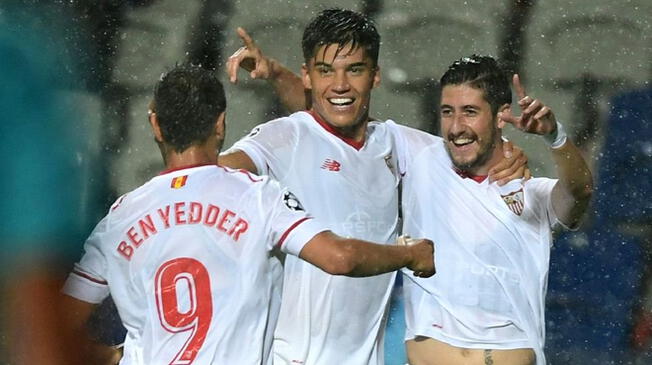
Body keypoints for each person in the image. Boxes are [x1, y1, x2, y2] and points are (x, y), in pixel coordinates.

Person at [60, 64, 436, 365]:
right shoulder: (256, 197)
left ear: (155, 124)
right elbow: (340, 258)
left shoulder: (119, 219)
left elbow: (54, 324)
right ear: (221, 123)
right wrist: (411, 254)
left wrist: (108, 355)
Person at [221, 8, 528, 365]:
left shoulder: (395, 143)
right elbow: (214, 176)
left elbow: (470, 147)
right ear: (307, 76)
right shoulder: (284, 136)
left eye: (354, 70)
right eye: (325, 71)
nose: (340, 84)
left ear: (375, 76)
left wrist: (509, 153)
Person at [391, 55, 593, 365]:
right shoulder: (418, 158)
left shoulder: (530, 193)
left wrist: (556, 137)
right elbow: (333, 128)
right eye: (448, 112)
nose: (456, 127)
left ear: (501, 116)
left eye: (470, 112)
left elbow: (580, 190)